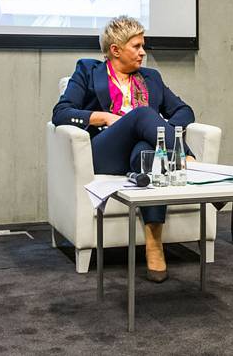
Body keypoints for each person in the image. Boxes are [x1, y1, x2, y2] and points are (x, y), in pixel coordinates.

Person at [53, 15, 194, 282]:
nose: (143, 52)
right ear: (116, 50)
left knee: (146, 153)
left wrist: (159, 128)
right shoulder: (88, 71)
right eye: (136, 46)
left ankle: (154, 243)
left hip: (141, 152)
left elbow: (184, 111)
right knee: (142, 114)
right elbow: (61, 113)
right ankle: (188, 161)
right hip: (104, 150)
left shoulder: (151, 78)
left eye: (143, 46)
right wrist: (104, 117)